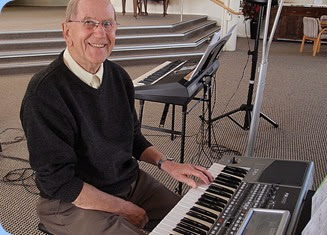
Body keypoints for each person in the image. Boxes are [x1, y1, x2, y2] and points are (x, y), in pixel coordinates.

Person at [20, 0, 213, 234]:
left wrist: (166, 164)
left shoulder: (118, 76)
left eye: (108, 23)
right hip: (70, 201)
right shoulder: (45, 92)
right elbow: (59, 181)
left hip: (127, 181)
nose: (100, 32)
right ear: (67, 30)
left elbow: (132, 137)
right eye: (89, 22)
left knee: (196, 223)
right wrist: (125, 208)